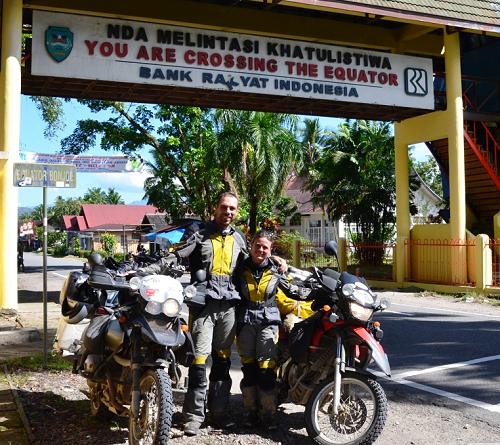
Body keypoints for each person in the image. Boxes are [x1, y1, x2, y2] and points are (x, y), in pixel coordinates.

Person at [235, 230, 308, 429]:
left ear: (270, 250)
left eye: (265, 247)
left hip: (268, 322)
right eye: (257, 245)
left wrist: (314, 294)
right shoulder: (239, 267)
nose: (260, 250)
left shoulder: (277, 271)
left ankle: (268, 415)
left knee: (267, 369)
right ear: (251, 246)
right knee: (249, 369)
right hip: (245, 322)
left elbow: (292, 290)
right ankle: (250, 413)